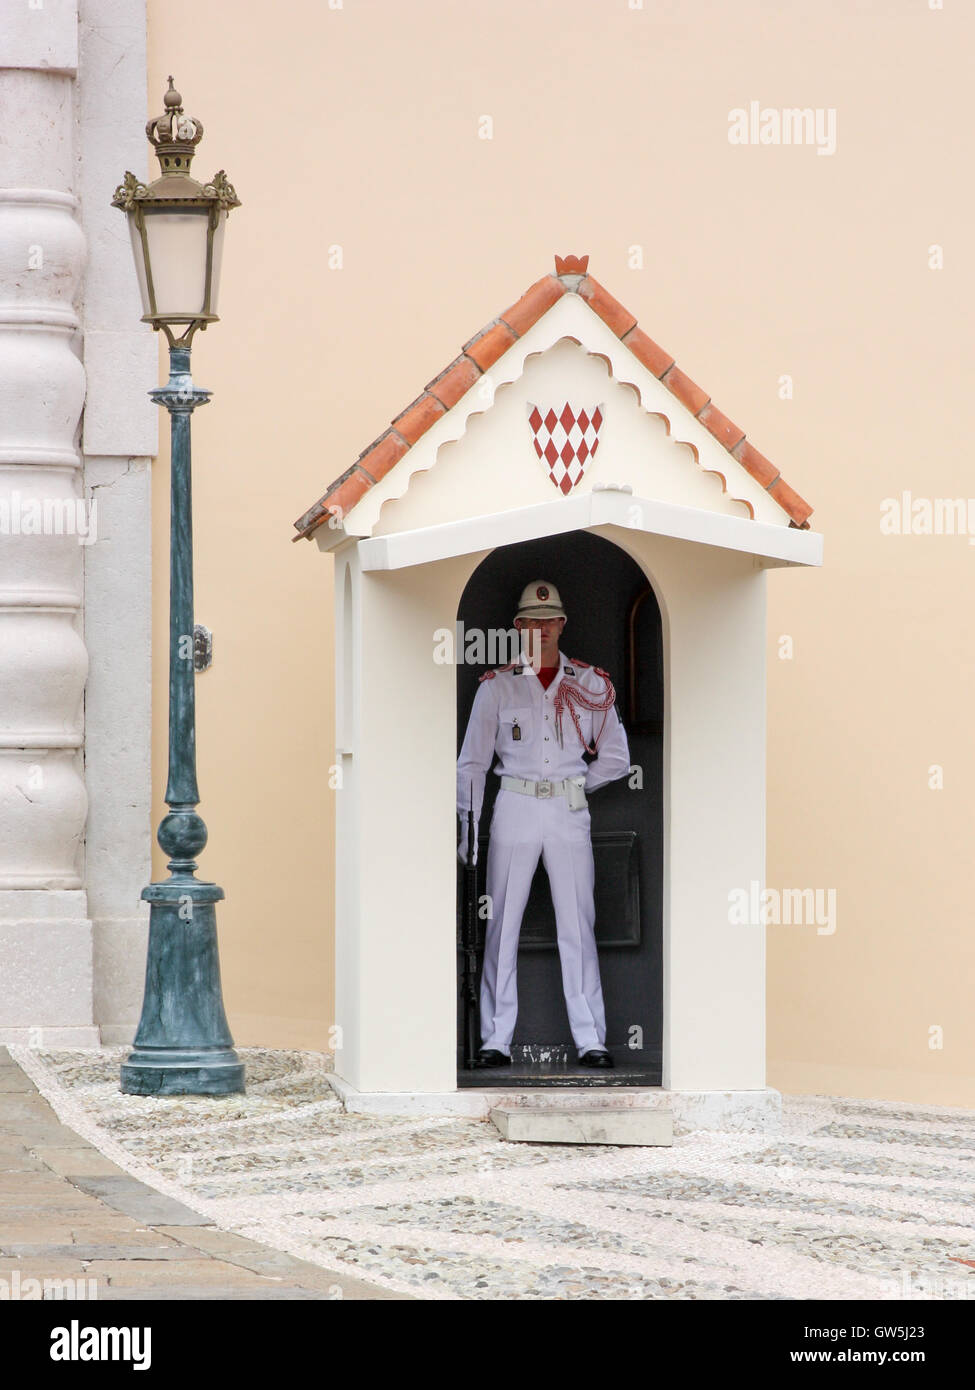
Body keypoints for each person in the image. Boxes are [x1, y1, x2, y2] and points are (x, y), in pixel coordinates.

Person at [456, 580, 631, 1069]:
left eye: (549, 620)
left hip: (567, 809)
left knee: (578, 922)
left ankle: (590, 1037)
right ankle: (495, 1037)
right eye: (531, 621)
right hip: (515, 803)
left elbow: (616, 757)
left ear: (561, 624)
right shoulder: (499, 686)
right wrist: (469, 830)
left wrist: (580, 785)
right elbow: (471, 764)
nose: (541, 629)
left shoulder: (591, 684)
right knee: (501, 923)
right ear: (519, 627)